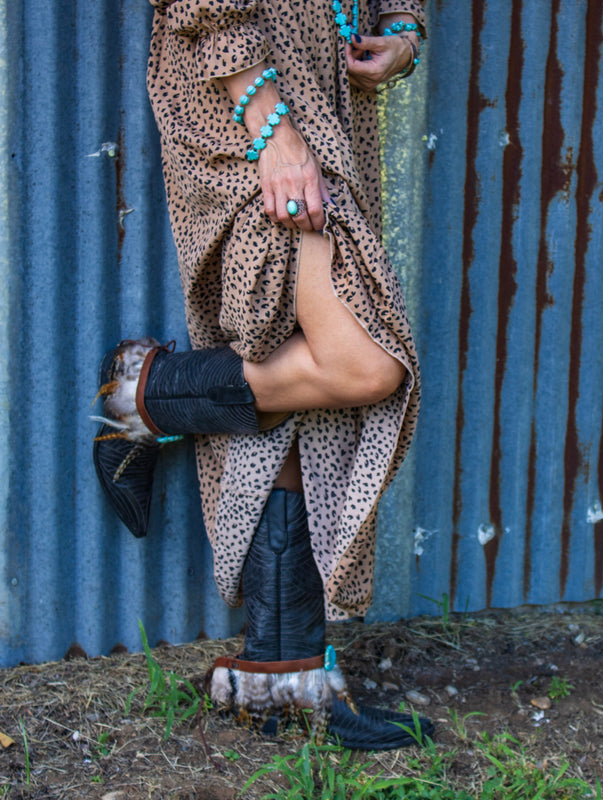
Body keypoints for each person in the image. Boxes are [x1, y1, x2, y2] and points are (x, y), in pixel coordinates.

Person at [92, 0, 430, 750]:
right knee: (365, 364)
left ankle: (281, 678)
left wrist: (404, 31)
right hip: (247, 110)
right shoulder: (265, 125)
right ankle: (148, 393)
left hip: (332, 101)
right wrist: (272, 128)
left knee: (305, 393)